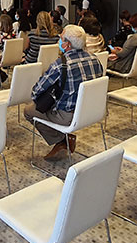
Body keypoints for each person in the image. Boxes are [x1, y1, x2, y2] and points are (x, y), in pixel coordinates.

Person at [23, 25, 103, 161]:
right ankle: (63, 140)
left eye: (61, 38)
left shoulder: (60, 65)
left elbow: (36, 91)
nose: (58, 41)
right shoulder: (95, 59)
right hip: (91, 111)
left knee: (29, 110)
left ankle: (61, 140)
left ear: (67, 44)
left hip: (68, 116)